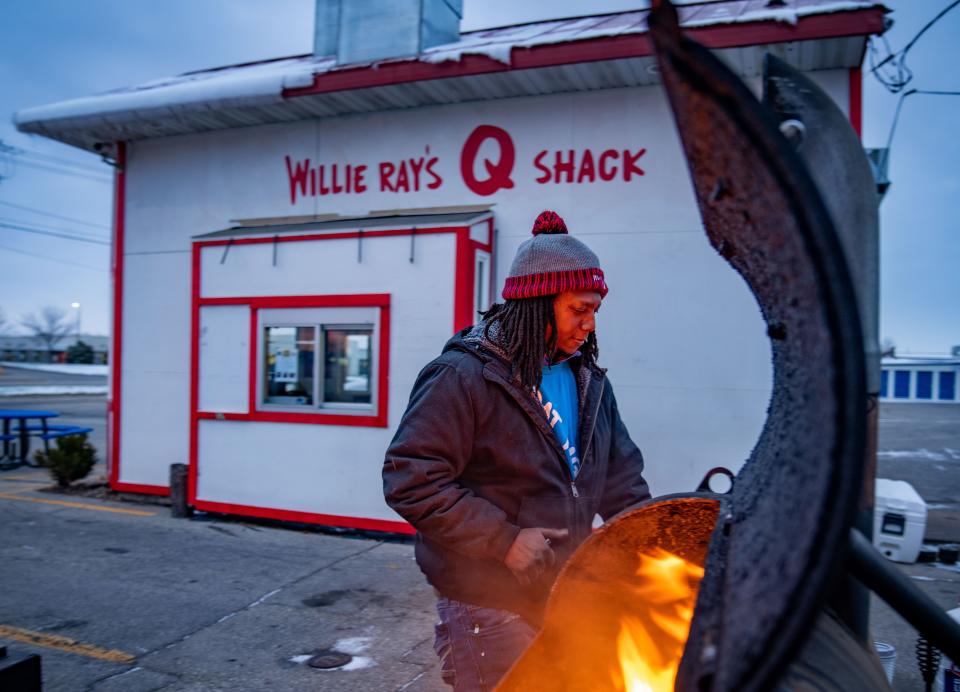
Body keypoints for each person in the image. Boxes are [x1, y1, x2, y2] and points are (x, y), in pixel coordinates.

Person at [382, 210, 651, 691]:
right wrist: (502, 539)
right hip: (485, 599)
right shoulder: (463, 376)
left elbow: (623, 479)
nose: (589, 324)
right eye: (578, 309)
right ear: (538, 303)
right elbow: (411, 477)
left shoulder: (588, 381)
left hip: (561, 590)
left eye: (595, 311)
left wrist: (650, 548)